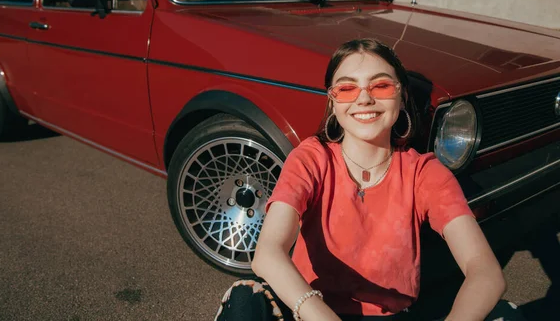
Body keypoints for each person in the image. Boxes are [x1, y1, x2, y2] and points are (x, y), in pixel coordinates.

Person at [215, 39, 525, 321]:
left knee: (504, 316)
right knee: (245, 300)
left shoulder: (424, 173)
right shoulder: (312, 157)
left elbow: (485, 272)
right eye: (347, 88)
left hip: (391, 314)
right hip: (312, 310)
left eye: (380, 87)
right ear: (333, 103)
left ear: (401, 98)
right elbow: (268, 253)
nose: (364, 98)